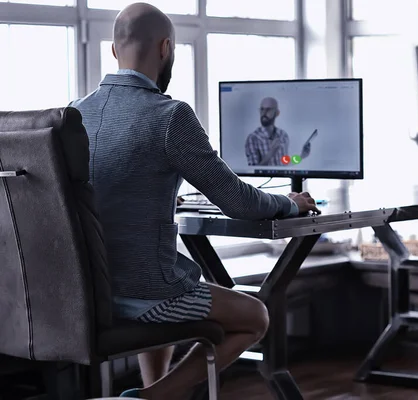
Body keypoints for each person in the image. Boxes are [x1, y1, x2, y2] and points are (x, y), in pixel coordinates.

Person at [69, 3, 320, 399]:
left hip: (90, 293)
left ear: (114, 52)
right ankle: (154, 396)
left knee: (168, 278)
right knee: (255, 316)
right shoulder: (170, 116)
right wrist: (290, 202)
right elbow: (238, 201)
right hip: (148, 295)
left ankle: (153, 388)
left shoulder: (74, 114)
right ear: (167, 48)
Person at [245, 97, 311, 166]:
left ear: (277, 113)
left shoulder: (283, 135)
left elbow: (285, 164)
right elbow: (253, 171)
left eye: (268, 110)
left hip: (282, 177)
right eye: (262, 109)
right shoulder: (253, 138)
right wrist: (271, 153)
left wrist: (301, 156)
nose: (264, 113)